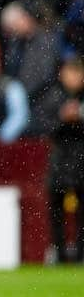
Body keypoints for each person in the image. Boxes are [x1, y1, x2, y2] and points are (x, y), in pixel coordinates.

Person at [36, 56, 84, 263]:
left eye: (77, 73)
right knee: (56, 209)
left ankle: (80, 253)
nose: (73, 78)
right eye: (70, 73)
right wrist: (63, 119)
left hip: (80, 160)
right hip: (60, 160)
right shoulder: (54, 97)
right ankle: (59, 250)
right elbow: (44, 127)